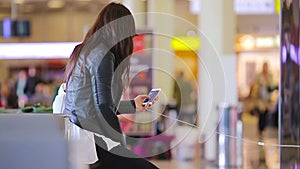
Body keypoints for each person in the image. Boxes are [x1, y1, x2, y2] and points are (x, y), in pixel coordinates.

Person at [63, 2, 159, 169]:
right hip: (93, 140)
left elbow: (95, 103)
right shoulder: (103, 55)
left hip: (80, 137)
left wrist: (133, 105)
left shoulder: (84, 50)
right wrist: (119, 145)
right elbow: (104, 106)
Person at [249, 62, 275, 135]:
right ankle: (260, 128)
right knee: (261, 113)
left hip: (267, 98)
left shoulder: (269, 76)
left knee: (266, 113)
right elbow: (255, 86)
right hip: (260, 98)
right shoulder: (259, 76)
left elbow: (271, 86)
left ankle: (263, 127)